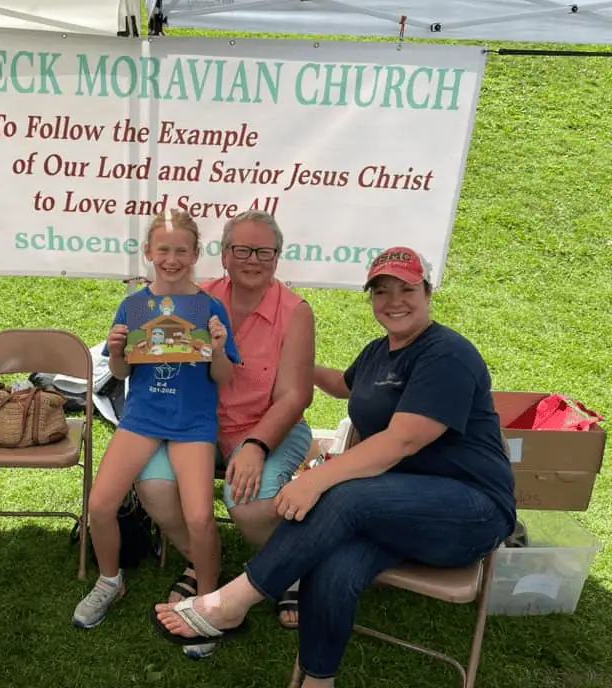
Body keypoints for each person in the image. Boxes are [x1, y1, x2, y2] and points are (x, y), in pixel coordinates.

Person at [151, 246, 517, 688]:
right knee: (333, 565)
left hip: (469, 511)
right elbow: (344, 386)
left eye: (407, 289)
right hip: (397, 510)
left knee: (342, 493)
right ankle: (317, 681)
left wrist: (316, 478)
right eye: (382, 291)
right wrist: (286, 371)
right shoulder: (379, 351)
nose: (394, 300)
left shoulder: (447, 354)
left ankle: (232, 601)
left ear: (428, 292)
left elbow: (403, 439)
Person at [135, 210, 315, 634]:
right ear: (224, 254)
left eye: (263, 251)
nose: (252, 260)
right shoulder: (197, 297)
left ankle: (290, 570)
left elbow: (295, 397)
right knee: (153, 485)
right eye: (242, 250)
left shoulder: (295, 311)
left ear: (277, 256)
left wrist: (256, 446)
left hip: (267, 426)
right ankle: (202, 561)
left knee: (249, 507)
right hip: (197, 426)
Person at [72, 210, 241, 629]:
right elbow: (125, 372)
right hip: (143, 419)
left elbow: (224, 377)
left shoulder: (209, 307)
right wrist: (114, 352)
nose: (171, 259)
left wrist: (218, 348)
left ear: (196, 253)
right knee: (100, 504)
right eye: (163, 250)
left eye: (181, 251)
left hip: (193, 424)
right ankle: (110, 580)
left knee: (200, 516)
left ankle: (207, 603)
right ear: (148, 252)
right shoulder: (133, 305)